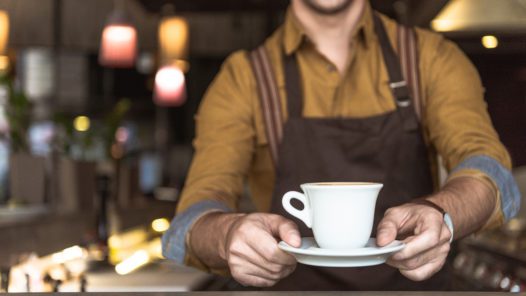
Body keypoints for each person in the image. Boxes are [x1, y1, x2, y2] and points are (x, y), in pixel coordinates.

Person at [162, 0, 520, 290]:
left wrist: (442, 213)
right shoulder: (244, 78)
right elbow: (189, 222)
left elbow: (491, 171)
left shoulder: (431, 58)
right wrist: (225, 234)